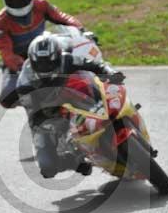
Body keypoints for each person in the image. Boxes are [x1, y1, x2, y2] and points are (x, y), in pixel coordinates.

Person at [16, 33, 125, 178]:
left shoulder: (66, 59)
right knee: (47, 168)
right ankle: (74, 161)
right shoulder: (24, 85)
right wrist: (51, 124)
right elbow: (35, 116)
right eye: (41, 64)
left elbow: (91, 64)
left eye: (49, 63)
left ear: (57, 56)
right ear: (32, 61)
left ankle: (114, 112)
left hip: (71, 95)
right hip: (47, 111)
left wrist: (110, 72)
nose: (45, 68)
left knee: (91, 83)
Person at [0, 0, 92, 109]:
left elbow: (62, 17)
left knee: (78, 63)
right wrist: (22, 67)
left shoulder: (42, 5)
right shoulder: (0, 23)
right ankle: (35, 108)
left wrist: (81, 30)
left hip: (45, 49)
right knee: (7, 98)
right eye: (13, 0)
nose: (19, 4)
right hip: (20, 60)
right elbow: (7, 54)